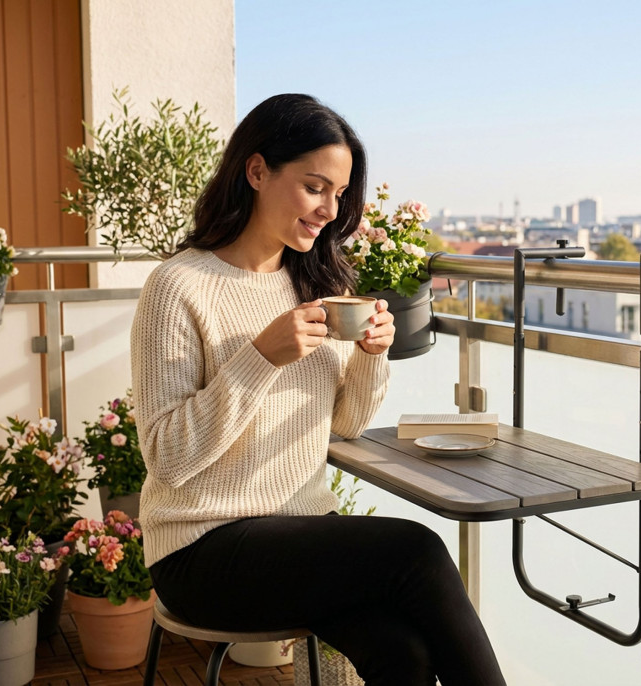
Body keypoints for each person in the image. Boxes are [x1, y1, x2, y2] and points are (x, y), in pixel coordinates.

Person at [131, 94, 506, 686]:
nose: (331, 209)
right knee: (418, 550)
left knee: (402, 652)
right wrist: (259, 359)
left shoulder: (314, 282)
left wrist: (370, 357)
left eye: (339, 194)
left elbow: (344, 426)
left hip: (302, 532)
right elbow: (168, 458)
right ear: (257, 171)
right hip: (200, 548)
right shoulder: (178, 287)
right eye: (315, 187)